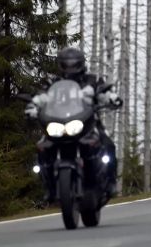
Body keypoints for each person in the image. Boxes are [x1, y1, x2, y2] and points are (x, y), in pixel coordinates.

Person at [25, 47, 121, 202]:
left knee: (108, 145)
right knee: (42, 147)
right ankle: (48, 186)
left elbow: (103, 92)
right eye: (66, 64)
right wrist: (32, 107)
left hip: (87, 124)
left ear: (81, 64)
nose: (70, 68)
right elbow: (41, 96)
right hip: (58, 123)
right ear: (61, 65)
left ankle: (110, 182)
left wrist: (112, 98)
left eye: (73, 64)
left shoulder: (91, 80)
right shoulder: (53, 83)